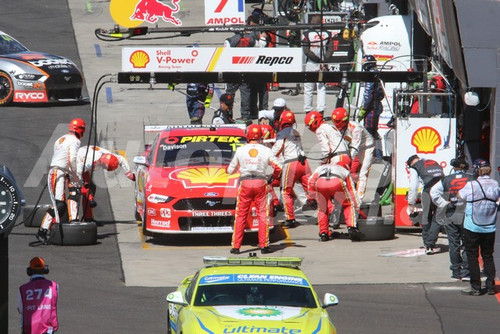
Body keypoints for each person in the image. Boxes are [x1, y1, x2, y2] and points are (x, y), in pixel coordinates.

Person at [227, 124, 282, 254]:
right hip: (260, 183)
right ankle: (264, 246)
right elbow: (279, 167)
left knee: (240, 215)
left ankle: (236, 246)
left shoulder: (241, 150)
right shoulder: (266, 150)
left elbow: (230, 170)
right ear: (261, 136)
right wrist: (272, 178)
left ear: (248, 135)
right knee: (263, 215)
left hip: (245, 183)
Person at [305, 111, 360, 238]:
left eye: (310, 126)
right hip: (346, 157)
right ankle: (348, 218)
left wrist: (322, 163)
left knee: (332, 192)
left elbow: (325, 149)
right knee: (343, 190)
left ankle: (335, 221)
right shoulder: (331, 127)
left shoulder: (320, 130)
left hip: (337, 159)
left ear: (314, 122)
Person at [38, 118, 86, 242]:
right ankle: (43, 230)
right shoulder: (75, 141)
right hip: (58, 172)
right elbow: (71, 159)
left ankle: (45, 229)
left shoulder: (60, 139)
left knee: (60, 204)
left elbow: (62, 158)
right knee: (58, 204)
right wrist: (76, 176)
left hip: (57, 171)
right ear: (80, 130)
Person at [458, 159, 500, 296]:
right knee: (488, 256)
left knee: (472, 255)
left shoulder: (471, 185)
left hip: (472, 226)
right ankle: (490, 286)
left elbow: (460, 195)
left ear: (477, 170)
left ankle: (475, 286)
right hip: (489, 226)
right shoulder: (495, 184)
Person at [430, 157, 473, 280]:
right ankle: (466, 272)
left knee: (454, 244)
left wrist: (444, 203)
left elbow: (433, 192)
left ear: (453, 167)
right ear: (465, 167)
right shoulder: (471, 178)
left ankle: (456, 272)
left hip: (451, 213)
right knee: (467, 244)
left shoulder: (445, 179)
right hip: (466, 214)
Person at [272, 111, 316, 228]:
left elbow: (276, 150)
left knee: (286, 191)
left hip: (291, 163)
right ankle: (315, 203)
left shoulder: (282, 133)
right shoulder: (296, 132)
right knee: (311, 188)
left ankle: (290, 219)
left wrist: (268, 158)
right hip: (303, 163)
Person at [225, 15, 269, 121]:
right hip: (246, 69)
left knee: (231, 92)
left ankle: (228, 114)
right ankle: (245, 115)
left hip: (233, 69)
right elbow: (261, 48)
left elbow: (226, 48)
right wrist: (262, 37)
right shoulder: (253, 38)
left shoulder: (233, 39)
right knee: (245, 92)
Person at [78, 146, 135, 222]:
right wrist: (81, 182)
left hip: (83, 164)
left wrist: (129, 175)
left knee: (90, 189)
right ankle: (73, 219)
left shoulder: (109, 156)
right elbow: (77, 170)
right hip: (76, 164)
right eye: (104, 166)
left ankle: (88, 218)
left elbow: (122, 159)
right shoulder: (90, 162)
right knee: (76, 191)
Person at [331, 107, 375, 201]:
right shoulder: (340, 128)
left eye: (337, 121)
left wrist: (348, 159)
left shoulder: (355, 128)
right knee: (352, 173)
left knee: (363, 173)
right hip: (358, 148)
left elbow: (355, 146)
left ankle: (359, 199)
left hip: (367, 148)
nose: (336, 124)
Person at [309, 158, 358, 241]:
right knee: (348, 204)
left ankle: (323, 233)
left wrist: (312, 198)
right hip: (336, 182)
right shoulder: (345, 171)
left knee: (322, 209)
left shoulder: (321, 167)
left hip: (320, 182)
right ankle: (351, 228)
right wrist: (356, 206)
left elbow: (311, 181)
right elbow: (351, 190)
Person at [406, 155, 444, 254]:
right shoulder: (433, 162)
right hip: (442, 191)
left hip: (428, 191)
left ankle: (428, 244)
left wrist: (411, 203)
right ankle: (431, 243)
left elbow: (413, 186)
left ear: (411, 163)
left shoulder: (415, 167)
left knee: (426, 217)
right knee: (437, 218)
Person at [18, 257, 59, 334]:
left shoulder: (22, 289)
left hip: (29, 329)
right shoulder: (54, 286)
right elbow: (53, 304)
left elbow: (20, 309)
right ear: (45, 269)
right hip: (48, 330)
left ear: (29, 271)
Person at [302, 15, 333, 115]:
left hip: (311, 63)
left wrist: (317, 59)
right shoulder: (328, 33)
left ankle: (308, 111)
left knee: (308, 88)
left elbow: (306, 50)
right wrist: (324, 61)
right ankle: (320, 111)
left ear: (311, 22)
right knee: (321, 88)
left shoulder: (306, 34)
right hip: (322, 64)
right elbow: (331, 49)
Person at [357, 55, 384, 157]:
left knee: (369, 132)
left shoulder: (371, 74)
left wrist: (364, 108)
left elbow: (369, 93)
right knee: (373, 131)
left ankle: (374, 155)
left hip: (371, 108)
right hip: (375, 106)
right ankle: (376, 154)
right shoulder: (376, 73)